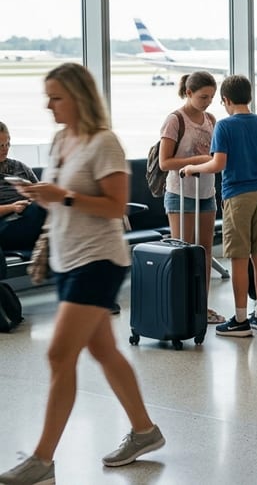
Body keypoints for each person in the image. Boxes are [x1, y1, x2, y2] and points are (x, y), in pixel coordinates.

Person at [0, 63, 165, 485]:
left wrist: (64, 196)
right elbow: (59, 198)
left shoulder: (103, 142)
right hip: (68, 259)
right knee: (104, 351)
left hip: (99, 260)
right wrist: (41, 196)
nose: (48, 104)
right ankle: (145, 431)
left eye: (55, 96)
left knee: (59, 354)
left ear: (78, 97)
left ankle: (42, 460)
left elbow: (114, 206)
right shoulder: (60, 141)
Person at [182, 75, 257, 337]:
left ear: (226, 100)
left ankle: (239, 320)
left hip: (238, 195)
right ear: (248, 97)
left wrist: (192, 168)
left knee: (238, 257)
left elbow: (218, 165)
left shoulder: (225, 127)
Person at [156, 72, 222, 325]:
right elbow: (165, 162)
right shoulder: (175, 120)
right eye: (203, 97)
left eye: (212, 97)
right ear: (189, 93)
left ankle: (200, 305)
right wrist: (199, 161)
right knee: (184, 253)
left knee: (204, 252)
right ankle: (181, 305)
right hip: (180, 194)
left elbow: (216, 156)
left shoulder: (211, 119)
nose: (208, 101)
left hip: (206, 193)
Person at [0, 121, 45, 253]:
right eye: (0, 145)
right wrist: (13, 207)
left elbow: (41, 195)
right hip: (5, 223)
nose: (5, 149)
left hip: (29, 216)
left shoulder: (20, 167)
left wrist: (34, 194)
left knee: (47, 206)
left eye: (7, 144)